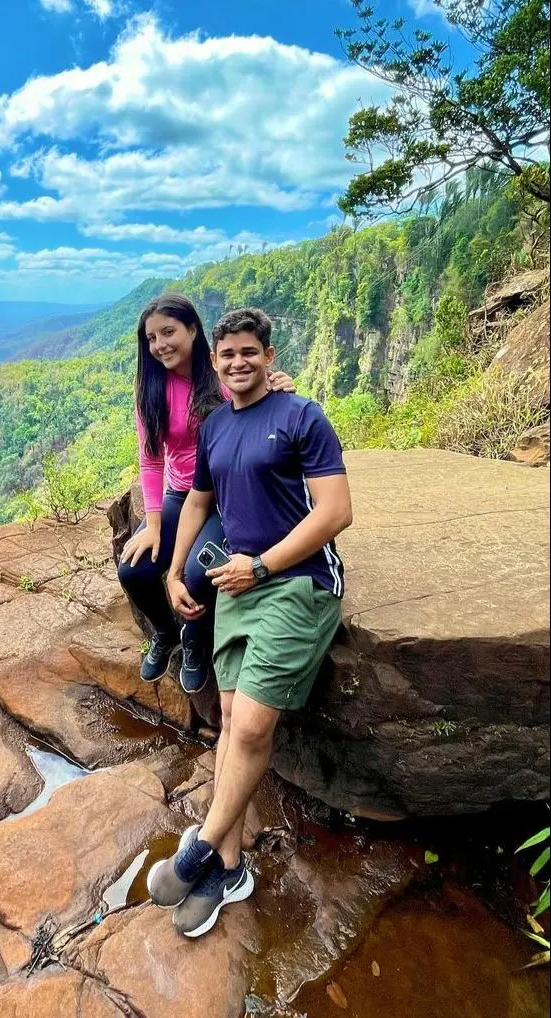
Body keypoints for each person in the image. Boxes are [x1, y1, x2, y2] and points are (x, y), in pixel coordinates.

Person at [146, 306, 352, 938]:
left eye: (249, 352)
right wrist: (174, 572)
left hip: (297, 583)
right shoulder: (215, 427)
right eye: (228, 354)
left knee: (255, 724)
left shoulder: (301, 416)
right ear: (215, 362)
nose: (238, 362)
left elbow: (336, 512)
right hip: (238, 585)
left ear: (269, 356)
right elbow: (198, 501)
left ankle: (199, 851)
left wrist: (261, 566)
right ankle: (231, 868)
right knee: (232, 718)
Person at [117, 293, 295, 694]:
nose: (160, 344)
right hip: (183, 493)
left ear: (193, 330)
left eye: (168, 332)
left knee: (201, 573)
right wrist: (153, 525)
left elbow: (258, 400)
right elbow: (150, 461)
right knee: (134, 569)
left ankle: (195, 641)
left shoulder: (220, 375)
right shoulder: (151, 389)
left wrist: (280, 384)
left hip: (228, 495)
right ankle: (166, 633)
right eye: (151, 338)